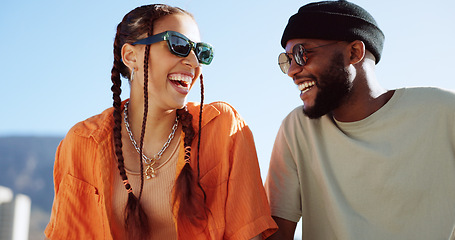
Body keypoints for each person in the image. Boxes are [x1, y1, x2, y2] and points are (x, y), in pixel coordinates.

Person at [45, 4, 277, 240]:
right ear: (130, 56)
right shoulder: (82, 142)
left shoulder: (223, 128)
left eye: (201, 52)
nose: (194, 62)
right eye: (178, 45)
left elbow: (249, 234)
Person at [265, 0, 455, 239]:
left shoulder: (445, 113)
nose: (292, 70)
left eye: (302, 54)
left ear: (354, 52)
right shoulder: (297, 129)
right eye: (287, 60)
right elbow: (276, 234)